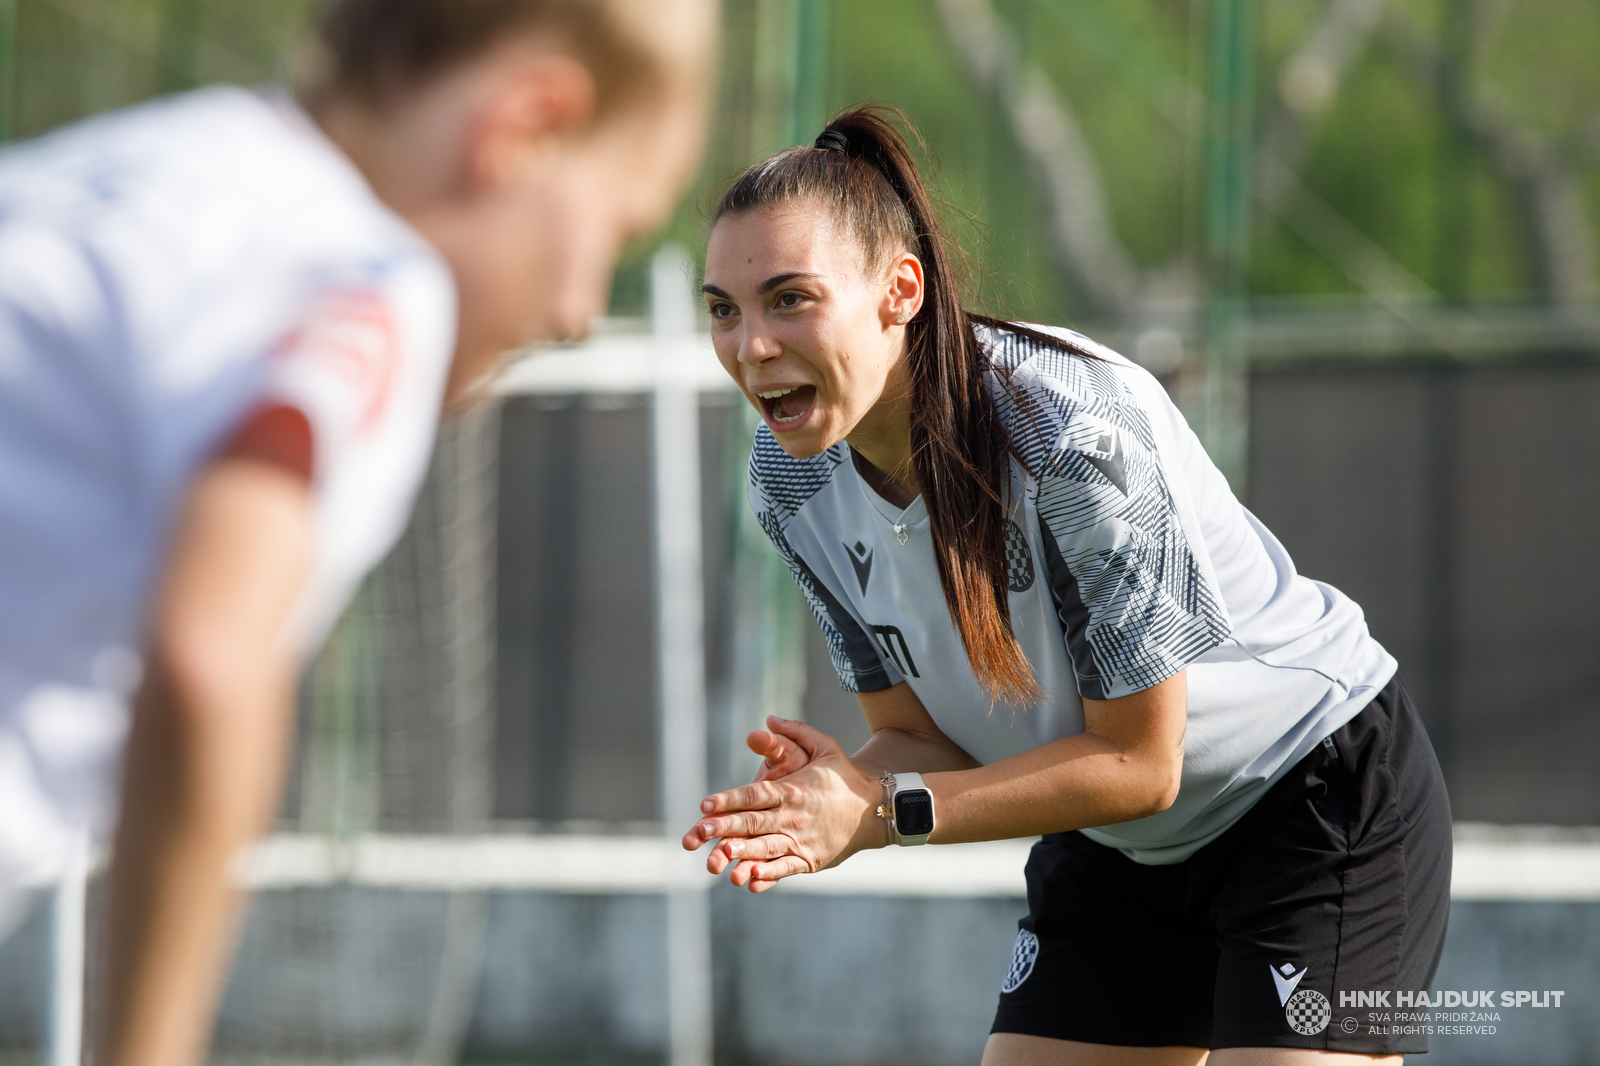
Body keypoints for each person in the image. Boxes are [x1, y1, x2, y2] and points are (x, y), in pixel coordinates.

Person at [0, 1, 713, 1063]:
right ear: (524, 126)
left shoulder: (124, 170)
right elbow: (211, 657)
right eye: (614, 227)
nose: (575, 310)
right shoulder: (367, 285)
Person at [682, 107, 1452, 1065]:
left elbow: (1141, 763)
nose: (750, 346)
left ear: (900, 291)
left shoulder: (1068, 431)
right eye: (723, 308)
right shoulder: (785, 478)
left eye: (790, 299)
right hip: (1115, 842)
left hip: (1313, 799)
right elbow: (926, 739)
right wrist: (841, 787)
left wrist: (881, 814)